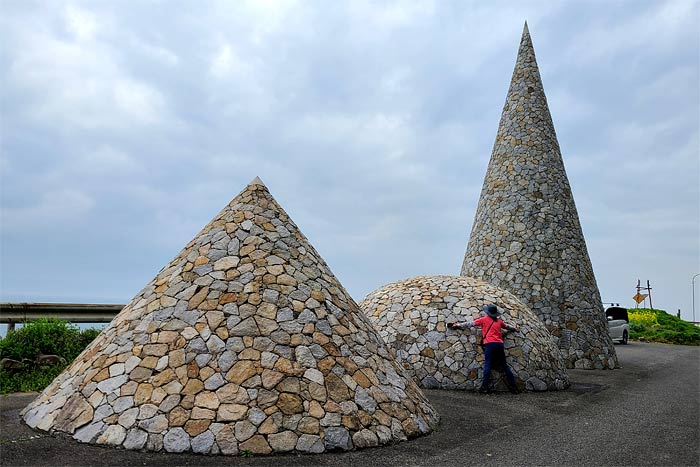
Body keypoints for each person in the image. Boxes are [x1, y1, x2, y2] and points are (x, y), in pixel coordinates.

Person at [448, 304, 520, 394]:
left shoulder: (484, 320)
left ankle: (484, 387)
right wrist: (515, 329)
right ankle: (514, 387)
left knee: (488, 364)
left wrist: (457, 325)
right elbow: (507, 327)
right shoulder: (499, 321)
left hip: (489, 344)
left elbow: (470, 324)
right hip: (499, 344)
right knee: (504, 365)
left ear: (488, 312)